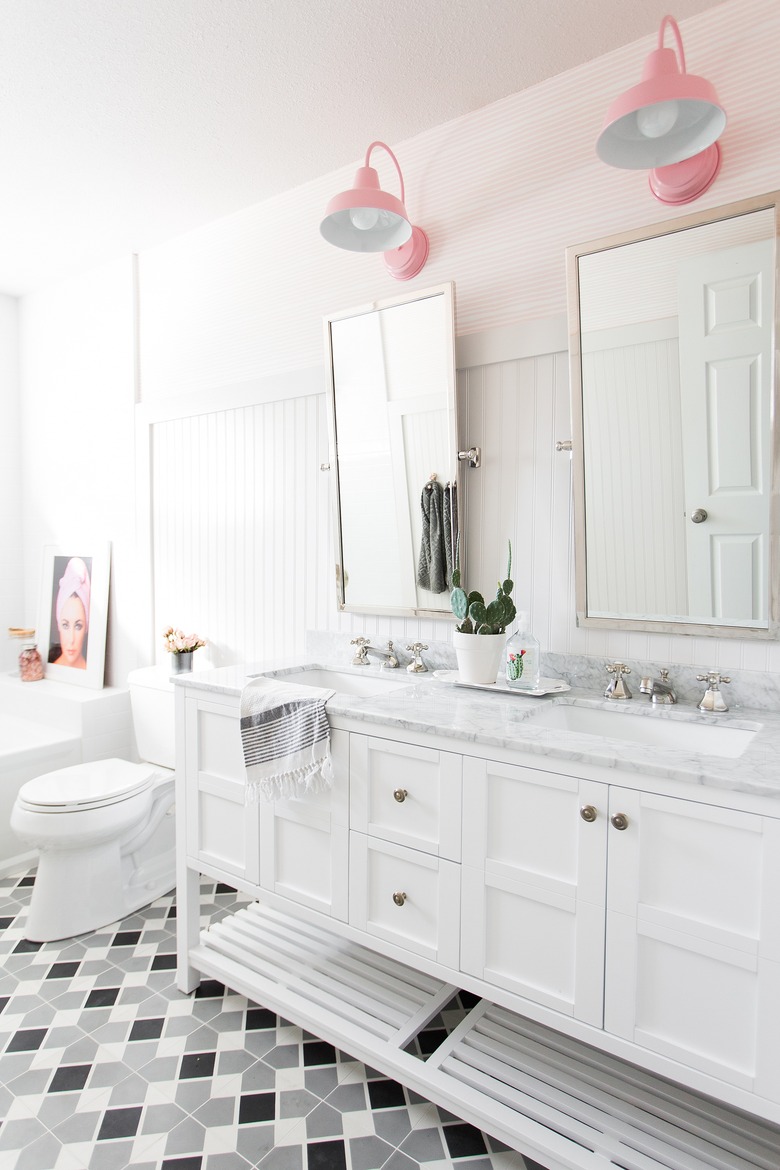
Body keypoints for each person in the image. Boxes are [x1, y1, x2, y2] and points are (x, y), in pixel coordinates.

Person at [51, 557, 91, 669]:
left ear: (86, 628)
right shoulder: (50, 670)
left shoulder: (93, 675)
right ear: (58, 625)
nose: (71, 639)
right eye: (65, 625)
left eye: (78, 626)